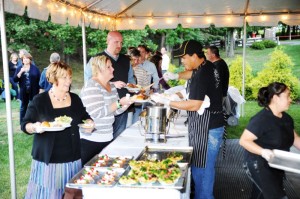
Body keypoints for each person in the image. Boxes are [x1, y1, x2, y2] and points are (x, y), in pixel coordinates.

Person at [151, 40, 224, 199]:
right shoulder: (206, 66)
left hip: (207, 128)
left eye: (183, 58)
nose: (182, 61)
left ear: (194, 56)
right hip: (210, 126)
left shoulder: (202, 74)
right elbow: (191, 77)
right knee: (200, 170)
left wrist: (168, 102)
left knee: (203, 174)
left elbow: (194, 105)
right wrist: (176, 76)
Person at [21, 61, 94, 199]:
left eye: (70, 77)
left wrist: (89, 123)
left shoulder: (75, 99)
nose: (69, 81)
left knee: (71, 193)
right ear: (54, 78)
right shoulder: (39, 100)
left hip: (72, 158)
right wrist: (35, 127)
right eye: (64, 77)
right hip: (48, 160)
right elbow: (25, 124)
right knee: (48, 194)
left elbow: (85, 117)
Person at [239, 82, 300, 199]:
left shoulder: (287, 119)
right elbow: (244, 141)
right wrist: (263, 151)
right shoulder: (261, 119)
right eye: (287, 96)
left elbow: (295, 139)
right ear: (276, 98)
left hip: (277, 163)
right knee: (276, 196)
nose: (290, 99)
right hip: (258, 164)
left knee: (261, 195)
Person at [80, 55, 132, 165]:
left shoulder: (111, 86)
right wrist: (119, 103)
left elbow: (115, 111)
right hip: (91, 140)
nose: (113, 69)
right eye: (108, 67)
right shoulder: (92, 86)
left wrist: (127, 103)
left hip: (107, 137)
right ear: (99, 70)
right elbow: (98, 112)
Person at [84, 31, 135, 139]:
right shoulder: (96, 59)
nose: (119, 46)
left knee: (119, 138)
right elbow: (89, 79)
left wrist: (134, 89)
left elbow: (131, 80)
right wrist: (111, 83)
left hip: (121, 106)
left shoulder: (126, 60)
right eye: (116, 42)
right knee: (103, 138)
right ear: (107, 41)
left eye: (121, 43)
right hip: (103, 107)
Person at [13, 52, 40, 124]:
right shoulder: (19, 68)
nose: (25, 60)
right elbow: (15, 79)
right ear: (22, 60)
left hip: (34, 91)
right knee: (23, 107)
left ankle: (33, 121)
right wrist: (20, 72)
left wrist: (40, 91)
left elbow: (39, 80)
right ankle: (22, 122)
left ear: (30, 59)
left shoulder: (35, 68)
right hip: (23, 91)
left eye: (27, 58)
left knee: (33, 107)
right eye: (24, 58)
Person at [128, 48, 151, 124]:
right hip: (127, 103)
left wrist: (144, 91)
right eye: (134, 59)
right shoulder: (125, 69)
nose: (136, 62)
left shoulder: (143, 71)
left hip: (138, 103)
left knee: (135, 124)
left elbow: (147, 87)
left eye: (138, 60)